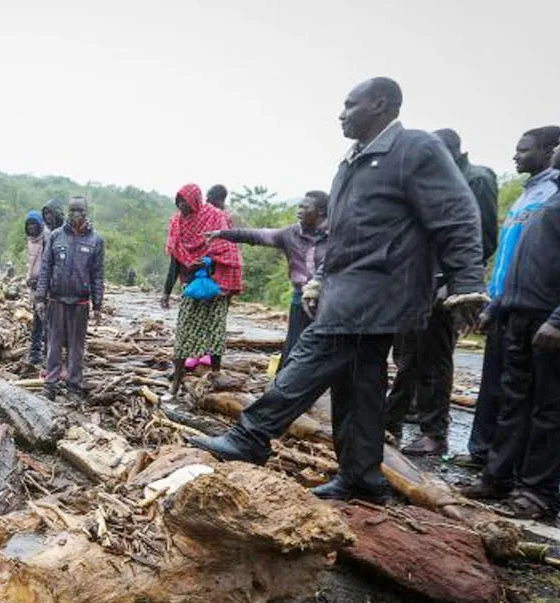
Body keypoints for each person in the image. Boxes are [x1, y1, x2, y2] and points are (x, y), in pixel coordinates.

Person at [188, 77, 487, 503]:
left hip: (380, 289)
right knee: (358, 384)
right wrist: (320, 279)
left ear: (380, 105)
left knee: (310, 358)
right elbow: (345, 235)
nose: (341, 113)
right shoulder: (351, 163)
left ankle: (251, 437)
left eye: (350, 104)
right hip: (350, 286)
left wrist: (467, 283)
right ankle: (362, 477)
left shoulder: (414, 149)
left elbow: (457, 216)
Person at [462, 116, 560, 519]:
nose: (556, 148)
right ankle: (499, 478)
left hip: (559, 321)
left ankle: (538, 493)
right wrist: (501, 303)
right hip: (522, 313)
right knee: (515, 402)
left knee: (553, 407)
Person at [450, 126, 560, 468]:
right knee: (494, 386)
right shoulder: (527, 194)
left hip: (535, 304)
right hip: (504, 299)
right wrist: (491, 298)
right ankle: (483, 454)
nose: (516, 155)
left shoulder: (558, 192)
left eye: (524, 149)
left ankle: (510, 470)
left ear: (549, 151)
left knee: (524, 393)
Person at [382, 129, 498, 456]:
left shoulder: (476, 179)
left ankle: (435, 433)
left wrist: (456, 282)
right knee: (405, 356)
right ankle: (391, 422)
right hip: (414, 284)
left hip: (443, 286)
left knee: (434, 359)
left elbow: (481, 239)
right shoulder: (430, 181)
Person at [206, 191, 329, 371]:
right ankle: (284, 388)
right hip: (300, 299)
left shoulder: (336, 237)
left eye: (305, 207)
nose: (300, 210)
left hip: (329, 300)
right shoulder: (289, 234)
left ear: (320, 212)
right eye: (299, 206)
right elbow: (255, 235)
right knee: (294, 345)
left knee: (327, 347)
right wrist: (222, 233)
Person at [162, 184, 241, 397]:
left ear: (196, 201)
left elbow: (228, 250)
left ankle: (215, 377)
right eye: (178, 201)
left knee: (215, 333)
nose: (181, 205)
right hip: (191, 287)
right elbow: (175, 261)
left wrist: (208, 261)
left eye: (184, 201)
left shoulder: (215, 218)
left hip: (216, 287)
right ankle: (176, 382)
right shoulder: (177, 224)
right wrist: (166, 293)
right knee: (183, 332)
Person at [35, 196, 104, 401]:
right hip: (56, 300)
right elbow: (46, 268)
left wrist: (98, 304)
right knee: (53, 345)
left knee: (76, 347)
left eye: (80, 210)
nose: (76, 214)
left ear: (86, 212)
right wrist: (40, 297)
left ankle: (74, 386)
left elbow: (97, 275)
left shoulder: (96, 240)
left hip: (81, 302)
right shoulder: (56, 237)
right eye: (73, 210)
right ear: (67, 212)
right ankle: (50, 385)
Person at [23, 210, 48, 366]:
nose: (31, 227)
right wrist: (28, 279)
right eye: (29, 224)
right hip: (34, 286)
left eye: (34, 224)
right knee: (37, 322)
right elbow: (31, 264)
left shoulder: (47, 239)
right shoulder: (31, 240)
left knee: (46, 322)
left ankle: (47, 354)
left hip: (45, 288)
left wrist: (41, 283)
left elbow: (48, 266)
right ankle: (34, 353)